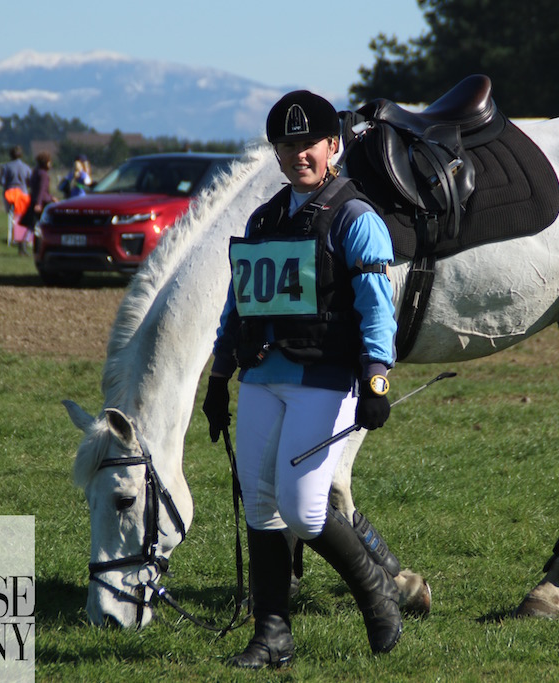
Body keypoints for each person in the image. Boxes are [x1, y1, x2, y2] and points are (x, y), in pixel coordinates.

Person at [202, 91, 400, 669]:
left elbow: (377, 308)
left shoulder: (357, 219)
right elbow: (238, 306)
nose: (297, 155)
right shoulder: (263, 219)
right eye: (286, 146)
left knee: (306, 510)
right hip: (261, 378)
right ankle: (272, 636)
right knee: (261, 506)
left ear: (333, 145)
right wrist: (218, 377)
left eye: (307, 143)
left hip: (326, 378)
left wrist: (377, 378)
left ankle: (377, 596)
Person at [0, 146, 33, 245]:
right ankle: (25, 238)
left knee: (11, 216)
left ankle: (12, 237)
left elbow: (1, 181)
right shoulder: (26, 167)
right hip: (23, 196)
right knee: (24, 216)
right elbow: (30, 183)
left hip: (10, 195)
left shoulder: (5, 167)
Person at [24, 152, 56, 255]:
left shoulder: (35, 172)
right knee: (42, 224)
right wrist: (39, 203)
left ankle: (25, 243)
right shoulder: (44, 175)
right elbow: (42, 190)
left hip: (34, 200)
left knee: (32, 225)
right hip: (42, 203)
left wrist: (52, 197)